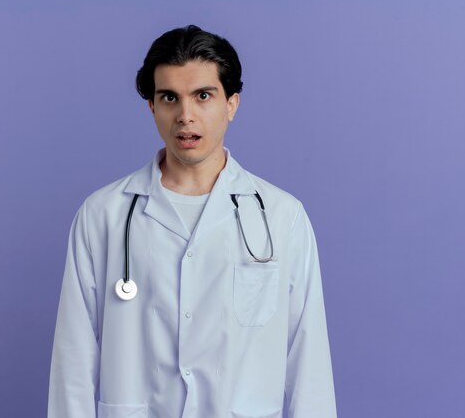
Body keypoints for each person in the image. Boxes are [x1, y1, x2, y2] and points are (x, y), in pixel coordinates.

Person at [47, 24, 337, 418]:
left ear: (232, 104)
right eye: (169, 97)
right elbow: (73, 360)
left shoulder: (282, 217)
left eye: (203, 96)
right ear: (152, 106)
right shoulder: (104, 215)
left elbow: (309, 359)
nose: (185, 116)